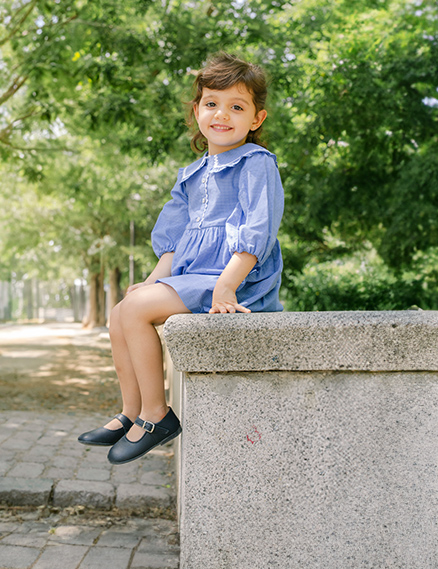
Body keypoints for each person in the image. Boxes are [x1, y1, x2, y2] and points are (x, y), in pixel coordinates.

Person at [78, 52, 285, 464]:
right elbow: (173, 239)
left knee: (135, 311)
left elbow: (257, 232)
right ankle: (131, 411)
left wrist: (228, 284)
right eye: (212, 103)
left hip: (234, 280)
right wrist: (155, 278)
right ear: (197, 111)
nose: (221, 114)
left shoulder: (256, 164)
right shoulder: (191, 173)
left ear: (256, 119)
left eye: (236, 107)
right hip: (192, 277)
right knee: (121, 311)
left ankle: (158, 415)